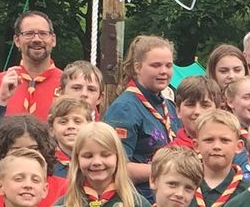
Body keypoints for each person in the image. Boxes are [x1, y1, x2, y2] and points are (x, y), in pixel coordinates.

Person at [103, 34, 179, 185]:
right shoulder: (124, 109)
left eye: (168, 65)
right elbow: (117, 167)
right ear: (137, 67)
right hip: (138, 198)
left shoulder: (169, 106)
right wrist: (170, 170)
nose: (164, 71)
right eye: (156, 65)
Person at [0, 10, 63, 122]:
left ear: (53, 40)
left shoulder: (69, 84)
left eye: (43, 33)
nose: (36, 39)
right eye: (29, 34)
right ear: (17, 40)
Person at [192, 110, 248, 207]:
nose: (217, 146)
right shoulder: (184, 187)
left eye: (224, 140)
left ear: (239, 146)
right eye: (209, 140)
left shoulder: (247, 192)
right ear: (196, 145)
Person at [45, 97, 89, 181]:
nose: (71, 126)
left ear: (89, 125)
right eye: (63, 122)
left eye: (77, 121)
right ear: (51, 129)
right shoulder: (46, 165)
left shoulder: (96, 161)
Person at [173, 75, 221, 143]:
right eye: (190, 105)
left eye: (205, 105)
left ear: (218, 111)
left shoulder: (233, 148)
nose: (197, 111)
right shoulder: (169, 152)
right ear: (178, 111)